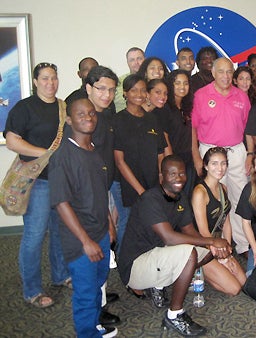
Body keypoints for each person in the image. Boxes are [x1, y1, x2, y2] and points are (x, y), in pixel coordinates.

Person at [118, 155, 232, 337]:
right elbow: (169, 237)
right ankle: (174, 315)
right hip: (135, 265)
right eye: (172, 174)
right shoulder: (151, 199)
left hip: (157, 253)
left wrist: (214, 246)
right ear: (161, 176)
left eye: (181, 173)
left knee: (206, 252)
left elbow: (190, 233)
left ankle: (158, 285)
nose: (178, 178)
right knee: (189, 254)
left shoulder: (180, 198)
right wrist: (212, 240)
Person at [49, 98, 117, 338]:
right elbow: (61, 202)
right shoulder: (63, 157)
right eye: (81, 114)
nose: (88, 117)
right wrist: (85, 241)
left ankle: (95, 324)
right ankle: (87, 333)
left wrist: (109, 224)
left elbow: (100, 193)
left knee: (99, 283)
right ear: (69, 120)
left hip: (99, 231)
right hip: (80, 240)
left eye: (91, 113)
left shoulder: (93, 151)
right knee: (86, 291)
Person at [4, 62, 70, 308]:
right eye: (44, 78)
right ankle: (32, 290)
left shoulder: (63, 107)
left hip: (60, 181)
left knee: (60, 232)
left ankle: (61, 275)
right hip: (37, 183)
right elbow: (12, 141)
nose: (50, 83)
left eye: (53, 78)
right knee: (34, 236)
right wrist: (44, 153)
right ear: (35, 82)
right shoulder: (25, 107)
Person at [192, 57, 252, 256]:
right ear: (213, 73)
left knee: (239, 198)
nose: (226, 76)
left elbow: (246, 127)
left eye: (229, 72)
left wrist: (249, 153)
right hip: (210, 152)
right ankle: (214, 246)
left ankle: (242, 244)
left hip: (235, 152)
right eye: (221, 72)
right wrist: (196, 157)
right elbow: (194, 127)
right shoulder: (201, 95)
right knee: (215, 201)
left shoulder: (242, 96)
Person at [85, 65, 121, 325]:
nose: (107, 94)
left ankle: (100, 297)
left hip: (105, 189)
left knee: (104, 248)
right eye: (101, 89)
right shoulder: (83, 120)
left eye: (111, 89)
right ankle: (94, 313)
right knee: (96, 249)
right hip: (90, 196)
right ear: (88, 88)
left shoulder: (105, 115)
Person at [112, 74, 167, 250]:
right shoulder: (118, 120)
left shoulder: (152, 119)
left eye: (143, 90)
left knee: (149, 224)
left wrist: (160, 177)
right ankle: (124, 264)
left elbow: (160, 153)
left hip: (151, 183)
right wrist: (141, 191)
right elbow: (119, 161)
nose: (139, 94)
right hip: (127, 185)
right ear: (125, 93)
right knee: (128, 224)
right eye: (134, 90)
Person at [191, 147, 246, 295]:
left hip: (218, 243)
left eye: (223, 163)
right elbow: (203, 231)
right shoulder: (200, 192)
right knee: (234, 289)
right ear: (206, 166)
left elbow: (226, 221)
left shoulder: (223, 188)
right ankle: (198, 268)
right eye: (214, 164)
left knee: (243, 282)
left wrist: (227, 250)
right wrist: (217, 254)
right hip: (202, 246)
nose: (219, 168)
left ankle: (216, 268)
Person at [155, 69, 197, 197]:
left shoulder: (188, 106)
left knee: (188, 196)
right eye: (177, 83)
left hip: (188, 160)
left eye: (185, 83)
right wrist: (171, 163)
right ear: (171, 85)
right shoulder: (165, 108)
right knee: (174, 197)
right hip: (174, 160)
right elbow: (164, 137)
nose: (182, 87)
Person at [114, 47, 145, 113]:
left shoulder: (151, 80)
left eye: (139, 59)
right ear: (127, 63)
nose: (136, 62)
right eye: (132, 60)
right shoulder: (119, 82)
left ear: (145, 60)